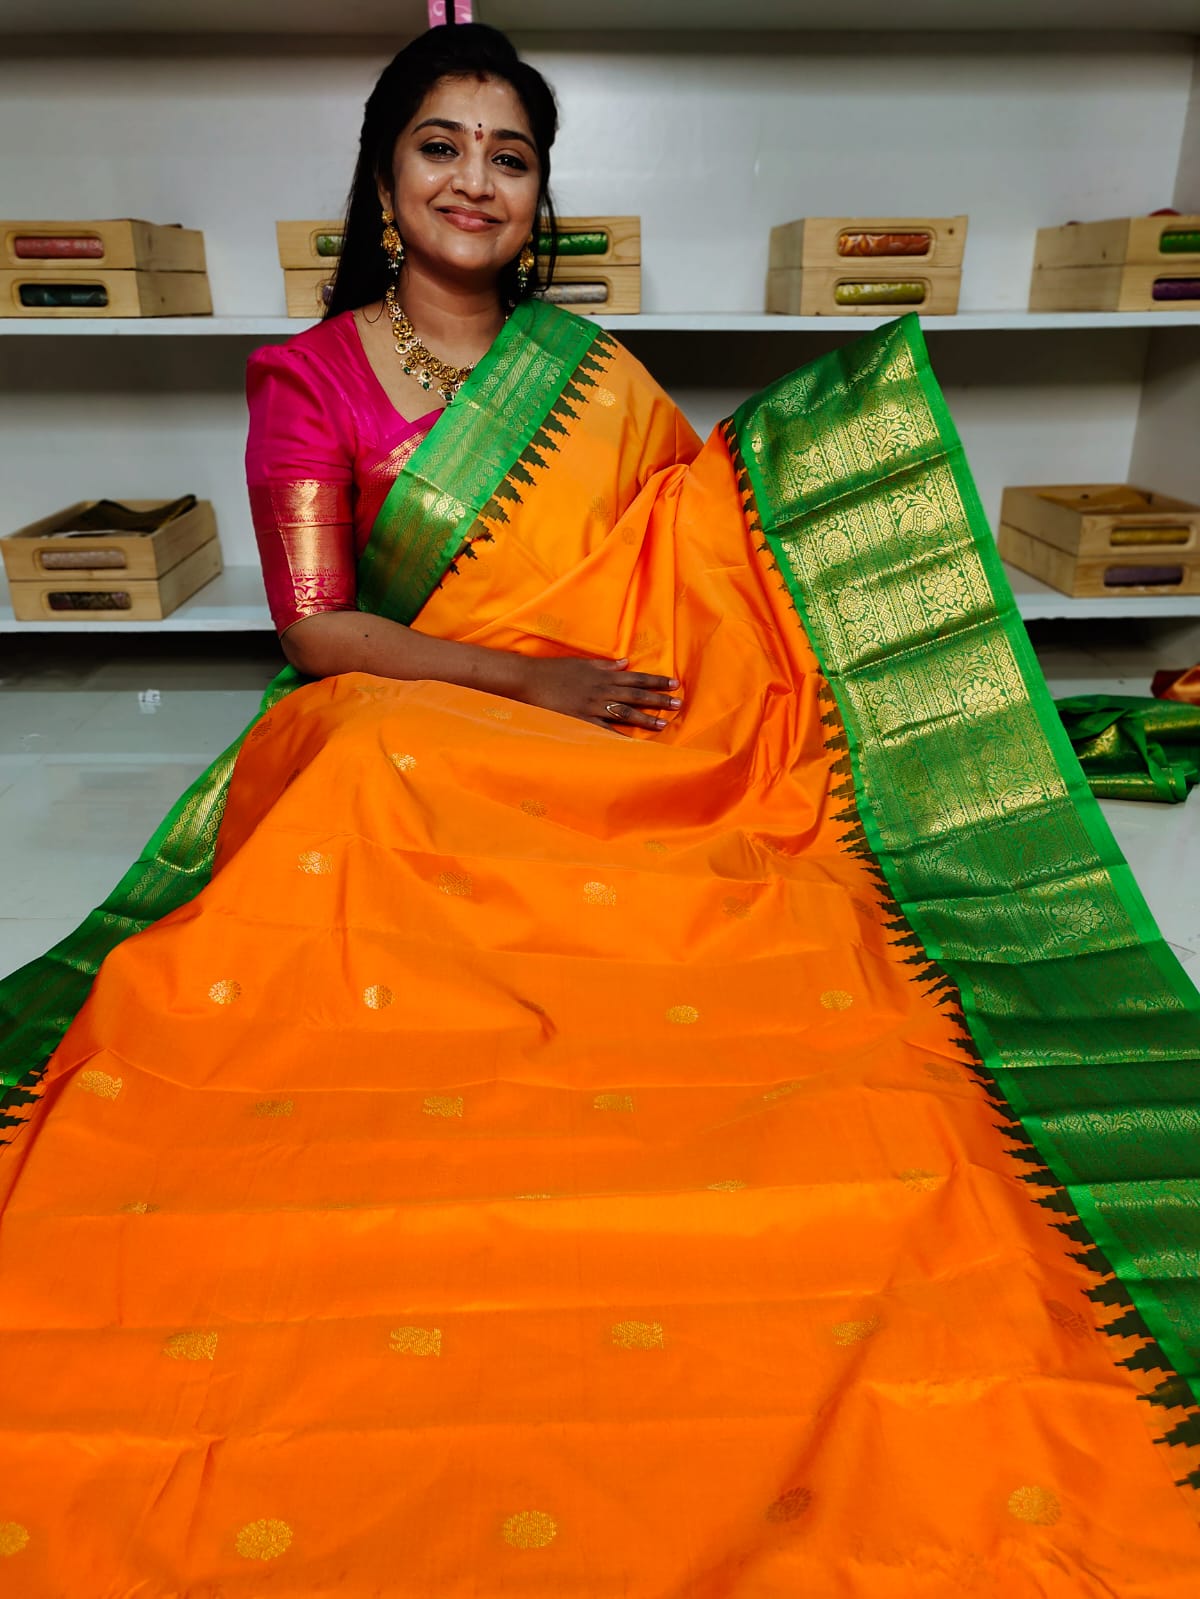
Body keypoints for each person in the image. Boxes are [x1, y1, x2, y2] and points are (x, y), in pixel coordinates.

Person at [1, 22, 1198, 1596]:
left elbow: (685, 538)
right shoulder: (310, 375)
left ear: (538, 190)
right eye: (441, 146)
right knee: (367, 765)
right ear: (383, 176)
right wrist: (523, 680)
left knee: (728, 815)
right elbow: (317, 629)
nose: (475, 182)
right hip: (412, 704)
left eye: (508, 156)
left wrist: (822, 471)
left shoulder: (591, 376)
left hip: (598, 701)